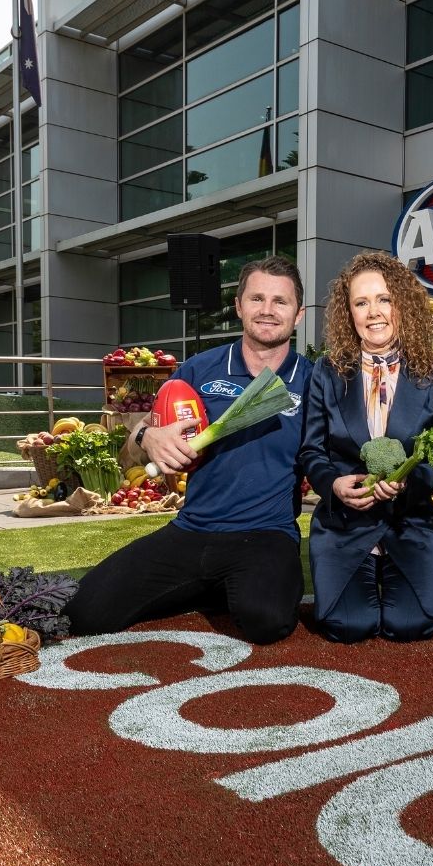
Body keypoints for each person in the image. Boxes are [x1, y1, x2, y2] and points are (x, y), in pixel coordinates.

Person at [62, 256, 311, 643]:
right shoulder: (200, 368)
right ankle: (210, 586)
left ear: (298, 315)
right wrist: (148, 437)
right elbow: (134, 444)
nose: (267, 310)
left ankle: (228, 584)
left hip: (265, 534)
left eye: (280, 301)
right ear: (239, 307)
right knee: (82, 613)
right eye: (257, 298)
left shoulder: (313, 381)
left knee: (266, 622)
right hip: (192, 529)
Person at [298, 251, 433, 642]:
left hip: (410, 522)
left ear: (401, 304)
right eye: (361, 302)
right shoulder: (327, 373)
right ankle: (362, 568)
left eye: (384, 299)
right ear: (348, 313)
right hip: (346, 525)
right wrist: (334, 484)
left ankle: (394, 569)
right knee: (348, 627)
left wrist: (409, 483)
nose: (374, 312)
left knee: (412, 627)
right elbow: (311, 451)